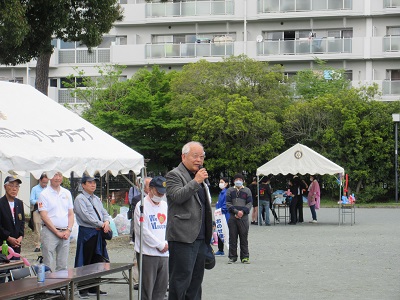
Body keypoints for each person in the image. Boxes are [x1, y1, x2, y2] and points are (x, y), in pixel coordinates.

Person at [166, 141, 213, 300]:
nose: (199, 160)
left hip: (200, 237)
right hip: (182, 237)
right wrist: (196, 181)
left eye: (201, 157)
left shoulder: (200, 176)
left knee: (196, 282)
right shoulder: (174, 175)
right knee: (180, 280)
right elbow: (177, 196)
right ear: (183, 156)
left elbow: (204, 205)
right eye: (195, 156)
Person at [74, 173, 112, 298]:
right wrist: (102, 224)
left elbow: (104, 212)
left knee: (97, 260)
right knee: (85, 260)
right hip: (87, 233)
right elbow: (86, 217)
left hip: (98, 232)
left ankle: (94, 287)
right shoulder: (80, 199)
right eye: (89, 182)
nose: (93, 185)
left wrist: (106, 222)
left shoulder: (96, 198)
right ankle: (82, 289)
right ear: (83, 185)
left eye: (94, 182)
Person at [134, 176, 169, 300]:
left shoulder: (165, 205)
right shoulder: (141, 206)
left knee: (162, 288)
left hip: (165, 253)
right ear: (150, 189)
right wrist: (159, 245)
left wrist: (165, 243)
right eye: (158, 192)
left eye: (163, 193)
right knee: (147, 289)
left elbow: (169, 226)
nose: (160, 195)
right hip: (147, 253)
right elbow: (142, 231)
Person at [38, 172, 74, 272]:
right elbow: (44, 215)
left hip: (65, 232)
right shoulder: (44, 194)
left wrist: (69, 230)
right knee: (48, 263)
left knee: (63, 264)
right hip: (50, 231)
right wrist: (56, 231)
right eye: (55, 175)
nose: (57, 178)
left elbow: (71, 214)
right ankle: (47, 287)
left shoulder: (67, 193)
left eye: (59, 175)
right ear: (49, 177)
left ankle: (61, 287)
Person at [0, 176, 25, 283]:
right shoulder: (1, 203)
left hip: (16, 245)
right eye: (11, 186)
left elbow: (22, 221)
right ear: (5, 187)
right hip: (3, 244)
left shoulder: (19, 203)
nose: (14, 189)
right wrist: (8, 237)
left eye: (17, 186)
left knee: (16, 275)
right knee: (2, 274)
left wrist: (20, 236)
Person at [226, 173, 253, 264]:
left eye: (240, 179)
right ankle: (232, 257)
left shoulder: (247, 190)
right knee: (232, 237)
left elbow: (249, 203)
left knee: (244, 237)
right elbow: (228, 203)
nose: (238, 181)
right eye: (237, 179)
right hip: (233, 217)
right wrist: (236, 212)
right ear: (234, 181)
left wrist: (243, 212)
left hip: (244, 218)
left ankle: (245, 257)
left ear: (243, 181)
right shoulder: (230, 190)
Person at [131, 177, 152, 290]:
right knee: (137, 258)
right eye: (150, 185)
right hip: (140, 233)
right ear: (143, 187)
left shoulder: (161, 200)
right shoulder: (137, 199)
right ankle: (137, 280)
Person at [29, 173, 48, 252]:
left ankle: (45, 244)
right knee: (37, 227)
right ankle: (37, 245)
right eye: (43, 182)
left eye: (46, 183)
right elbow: (31, 200)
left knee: (46, 228)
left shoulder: (48, 189)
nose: (44, 184)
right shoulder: (35, 189)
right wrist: (38, 202)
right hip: (37, 210)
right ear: (40, 180)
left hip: (46, 211)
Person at [215, 177, 229, 256]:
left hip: (224, 215)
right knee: (219, 232)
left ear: (226, 184)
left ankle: (228, 249)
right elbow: (218, 203)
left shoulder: (226, 193)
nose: (220, 183)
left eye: (222, 182)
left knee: (225, 232)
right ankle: (220, 250)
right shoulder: (221, 193)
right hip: (219, 215)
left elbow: (225, 205)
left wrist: (220, 211)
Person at [128, 179, 140, 245]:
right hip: (134, 207)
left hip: (142, 207)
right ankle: (131, 237)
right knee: (133, 222)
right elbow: (130, 198)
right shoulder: (132, 189)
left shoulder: (142, 189)